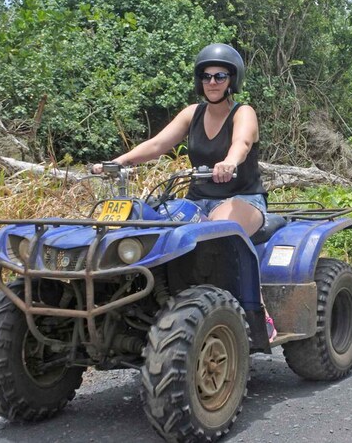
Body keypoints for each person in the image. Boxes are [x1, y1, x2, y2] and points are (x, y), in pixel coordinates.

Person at [91, 42, 275, 340]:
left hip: (242, 198)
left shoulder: (244, 112)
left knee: (220, 234)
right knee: (150, 224)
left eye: (220, 76)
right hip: (197, 200)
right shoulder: (193, 113)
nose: (212, 82)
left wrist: (229, 162)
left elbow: (241, 143)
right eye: (206, 76)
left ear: (233, 80)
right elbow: (157, 145)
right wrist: (118, 161)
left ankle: (259, 314)